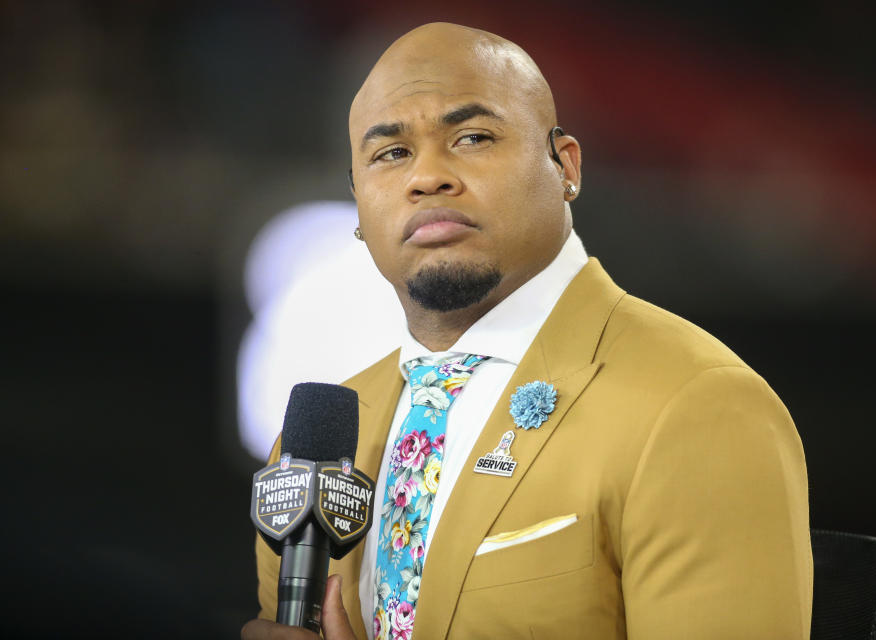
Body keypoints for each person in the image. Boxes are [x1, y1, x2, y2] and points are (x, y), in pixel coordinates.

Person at [242, 22, 812, 640]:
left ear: (565, 166)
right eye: (391, 153)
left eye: (473, 137)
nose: (426, 176)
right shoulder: (309, 458)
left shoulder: (699, 405)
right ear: (358, 202)